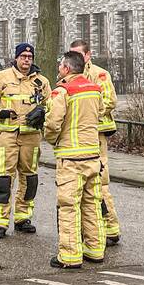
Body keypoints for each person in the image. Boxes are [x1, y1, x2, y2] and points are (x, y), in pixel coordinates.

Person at [0, 42, 51, 239]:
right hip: (8, 135)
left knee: (30, 178)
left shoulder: (42, 82)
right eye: (23, 57)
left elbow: (53, 106)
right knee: (3, 178)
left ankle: (22, 218)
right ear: (16, 58)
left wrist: (43, 112)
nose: (27, 60)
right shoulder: (1, 78)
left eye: (30, 57)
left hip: (31, 137)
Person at [43, 50, 105, 268]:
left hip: (70, 158)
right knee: (92, 204)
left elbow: (52, 124)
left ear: (67, 68)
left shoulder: (62, 91)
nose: (59, 69)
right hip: (93, 155)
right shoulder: (95, 88)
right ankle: (95, 249)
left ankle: (69, 256)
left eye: (61, 66)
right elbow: (101, 112)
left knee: (69, 205)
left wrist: (52, 140)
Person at [70, 39, 121, 245]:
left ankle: (110, 228)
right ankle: (91, 229)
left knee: (100, 183)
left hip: (96, 136)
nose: (75, 58)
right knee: (83, 187)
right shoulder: (69, 74)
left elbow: (109, 101)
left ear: (88, 55)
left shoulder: (99, 75)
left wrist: (87, 114)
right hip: (77, 137)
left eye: (79, 54)